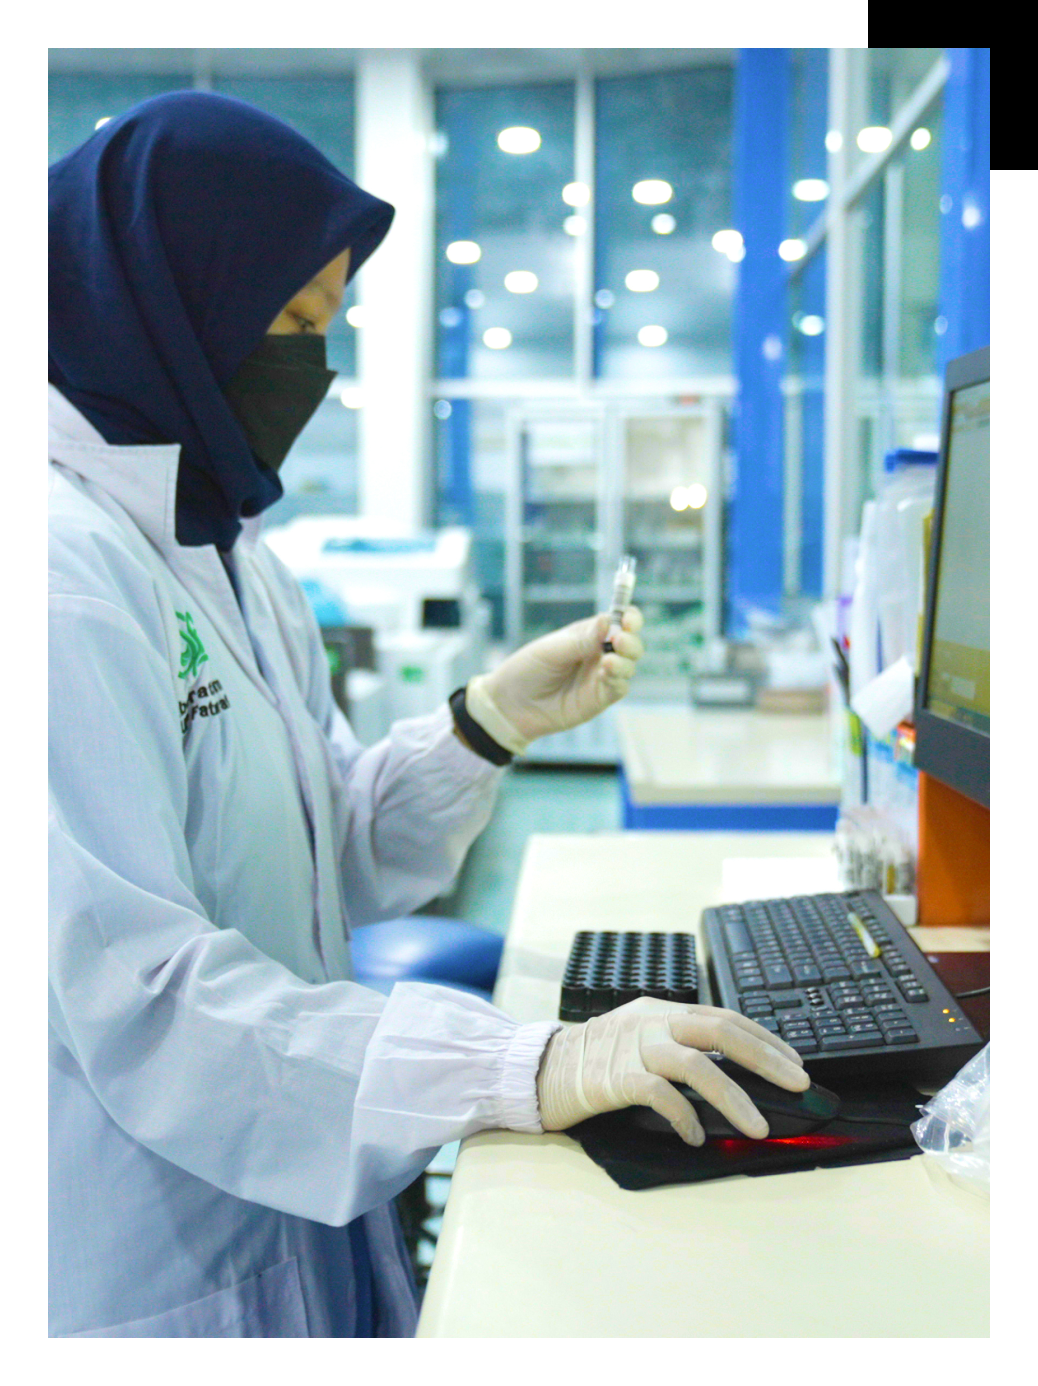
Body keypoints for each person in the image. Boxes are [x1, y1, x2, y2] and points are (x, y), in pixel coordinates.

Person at [48, 91, 808, 1339]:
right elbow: (144, 995)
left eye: (327, 322)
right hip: (154, 1256)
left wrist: (485, 720)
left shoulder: (223, 549)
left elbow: (328, 853)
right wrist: (523, 1065)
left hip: (291, 1199)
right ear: (165, 301)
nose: (313, 363)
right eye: (286, 319)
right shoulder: (72, 574)